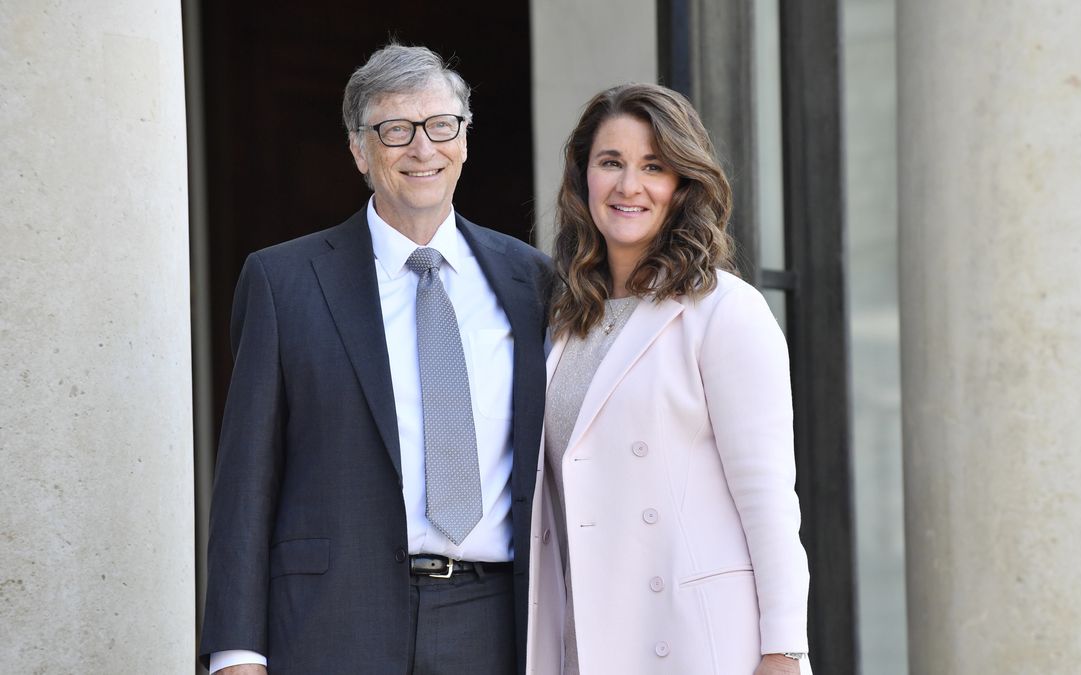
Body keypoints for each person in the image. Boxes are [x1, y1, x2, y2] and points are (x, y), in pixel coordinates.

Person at [198, 43, 552, 674]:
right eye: (396, 130)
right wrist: (236, 651)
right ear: (359, 150)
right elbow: (245, 480)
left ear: (464, 140)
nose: (423, 149)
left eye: (442, 126)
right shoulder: (285, 282)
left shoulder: (533, 282)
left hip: (494, 621)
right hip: (333, 620)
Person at [526, 83, 813, 674]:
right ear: (584, 179)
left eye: (653, 167)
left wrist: (784, 652)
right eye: (611, 163)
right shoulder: (560, 318)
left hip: (692, 640)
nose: (629, 186)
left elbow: (769, 501)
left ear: (682, 184)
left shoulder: (725, 311)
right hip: (581, 640)